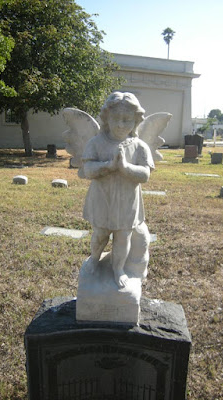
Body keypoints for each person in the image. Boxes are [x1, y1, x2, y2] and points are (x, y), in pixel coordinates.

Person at [82, 92, 154, 288]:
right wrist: (109, 166)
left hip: (127, 201)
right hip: (102, 198)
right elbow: (88, 170)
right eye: (116, 119)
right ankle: (94, 258)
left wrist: (125, 168)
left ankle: (118, 269)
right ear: (106, 118)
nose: (121, 125)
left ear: (136, 121)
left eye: (127, 120)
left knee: (123, 238)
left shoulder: (139, 147)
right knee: (100, 234)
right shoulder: (96, 143)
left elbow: (145, 175)